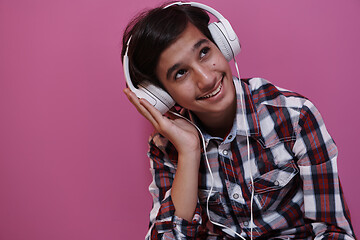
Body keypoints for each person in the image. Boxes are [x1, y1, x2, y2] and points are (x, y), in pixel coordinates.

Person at [121, 1, 356, 239]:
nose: (206, 79)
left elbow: (334, 231)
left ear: (223, 44)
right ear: (162, 95)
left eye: (204, 52)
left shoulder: (296, 117)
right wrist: (189, 153)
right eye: (180, 73)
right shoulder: (165, 146)